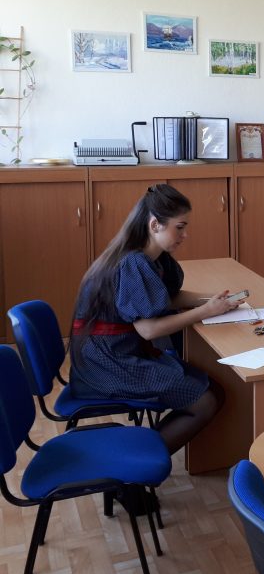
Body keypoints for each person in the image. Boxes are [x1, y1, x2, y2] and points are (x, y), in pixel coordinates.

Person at [70, 184, 242, 455]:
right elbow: (148, 329)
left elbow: (163, 299)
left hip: (120, 350)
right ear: (155, 225)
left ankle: (143, 452)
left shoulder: (151, 256)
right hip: (107, 362)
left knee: (216, 392)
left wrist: (214, 300)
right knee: (205, 402)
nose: (185, 235)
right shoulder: (133, 263)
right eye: (179, 227)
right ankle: (136, 466)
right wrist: (206, 311)